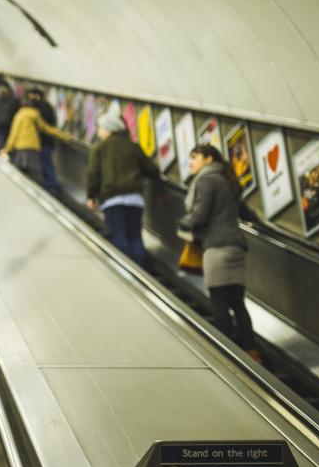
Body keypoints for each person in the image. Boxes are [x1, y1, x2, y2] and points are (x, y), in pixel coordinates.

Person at [178, 144, 261, 362]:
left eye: (194, 157)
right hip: (236, 247)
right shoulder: (227, 179)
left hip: (217, 246)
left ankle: (228, 353)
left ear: (208, 158)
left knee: (219, 301)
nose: (191, 162)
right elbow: (246, 212)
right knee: (237, 302)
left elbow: (201, 214)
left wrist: (184, 223)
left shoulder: (206, 180)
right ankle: (251, 352)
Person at [85, 112, 159, 266]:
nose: (98, 131)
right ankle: (141, 269)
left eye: (100, 128)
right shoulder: (132, 146)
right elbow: (152, 170)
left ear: (108, 129)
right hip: (135, 198)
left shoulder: (99, 148)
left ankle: (125, 270)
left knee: (118, 235)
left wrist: (91, 196)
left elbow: (93, 173)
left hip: (112, 198)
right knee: (135, 235)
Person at [1, 93, 72, 180]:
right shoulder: (35, 114)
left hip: (21, 150)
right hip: (33, 149)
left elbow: (14, 134)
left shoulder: (19, 115)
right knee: (33, 176)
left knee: (21, 176)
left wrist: (7, 148)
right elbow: (46, 128)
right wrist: (64, 135)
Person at [26, 87, 60, 193]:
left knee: (47, 164)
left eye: (32, 95)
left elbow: (44, 126)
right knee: (46, 163)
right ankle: (50, 184)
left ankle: (52, 186)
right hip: (46, 141)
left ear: (37, 96)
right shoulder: (46, 107)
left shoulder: (41, 108)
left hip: (44, 141)